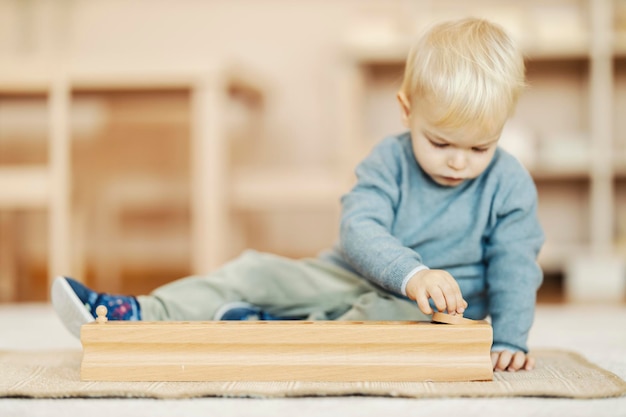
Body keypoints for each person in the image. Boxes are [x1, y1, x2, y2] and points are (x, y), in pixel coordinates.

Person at [51, 17, 544, 372]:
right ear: (406, 110)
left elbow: (515, 264)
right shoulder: (388, 161)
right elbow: (359, 229)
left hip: (431, 311)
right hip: (349, 273)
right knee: (254, 269)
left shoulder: (508, 184)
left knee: (377, 326)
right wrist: (412, 273)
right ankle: (138, 313)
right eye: (440, 142)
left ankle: (260, 326)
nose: (459, 161)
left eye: (481, 146)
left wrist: (509, 339)